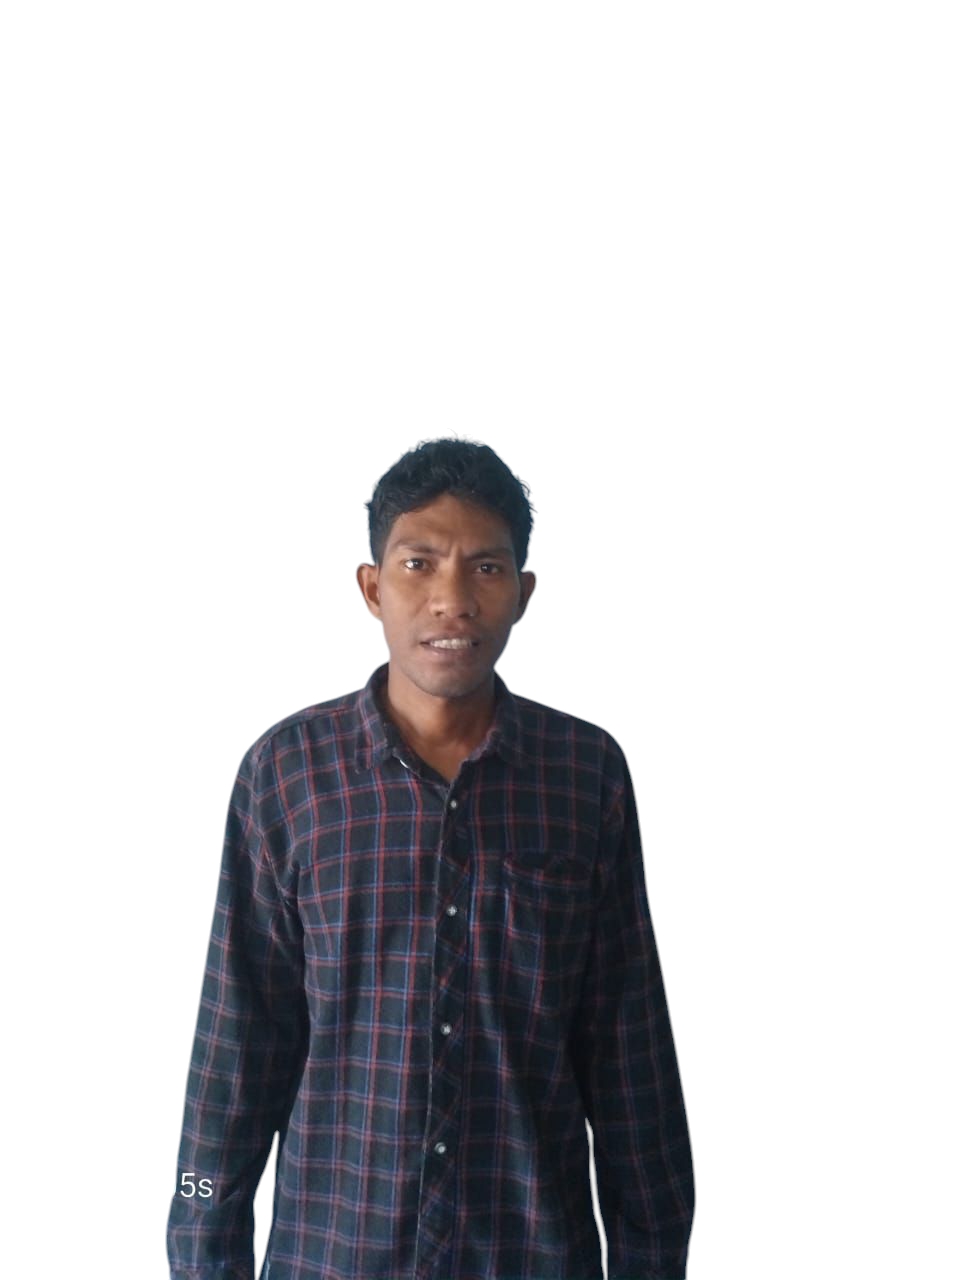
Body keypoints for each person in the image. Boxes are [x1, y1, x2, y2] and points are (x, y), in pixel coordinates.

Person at [167, 438, 695, 1280]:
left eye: (485, 569)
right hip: (334, 1258)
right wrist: (203, 1250)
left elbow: (630, 1056)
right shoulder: (289, 775)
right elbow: (238, 1049)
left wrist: (653, 1256)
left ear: (523, 593)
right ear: (373, 588)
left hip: (529, 1257)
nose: (452, 599)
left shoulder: (583, 775)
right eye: (419, 564)